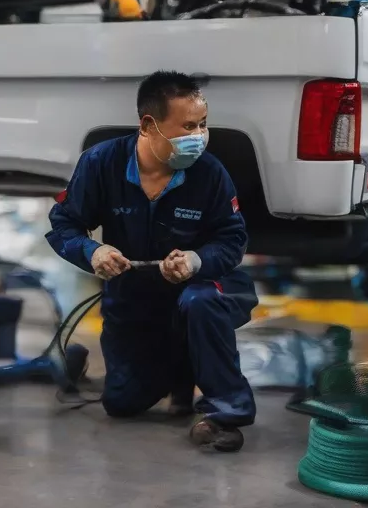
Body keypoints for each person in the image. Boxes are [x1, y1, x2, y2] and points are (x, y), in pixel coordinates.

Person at [46, 70, 257, 452]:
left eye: (203, 124)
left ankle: (226, 412)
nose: (199, 136)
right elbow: (64, 225)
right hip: (133, 297)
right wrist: (93, 251)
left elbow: (232, 240)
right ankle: (180, 372)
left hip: (202, 287)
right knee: (121, 403)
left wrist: (195, 261)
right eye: (188, 126)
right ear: (148, 125)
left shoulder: (209, 173)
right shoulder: (101, 163)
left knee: (200, 302)